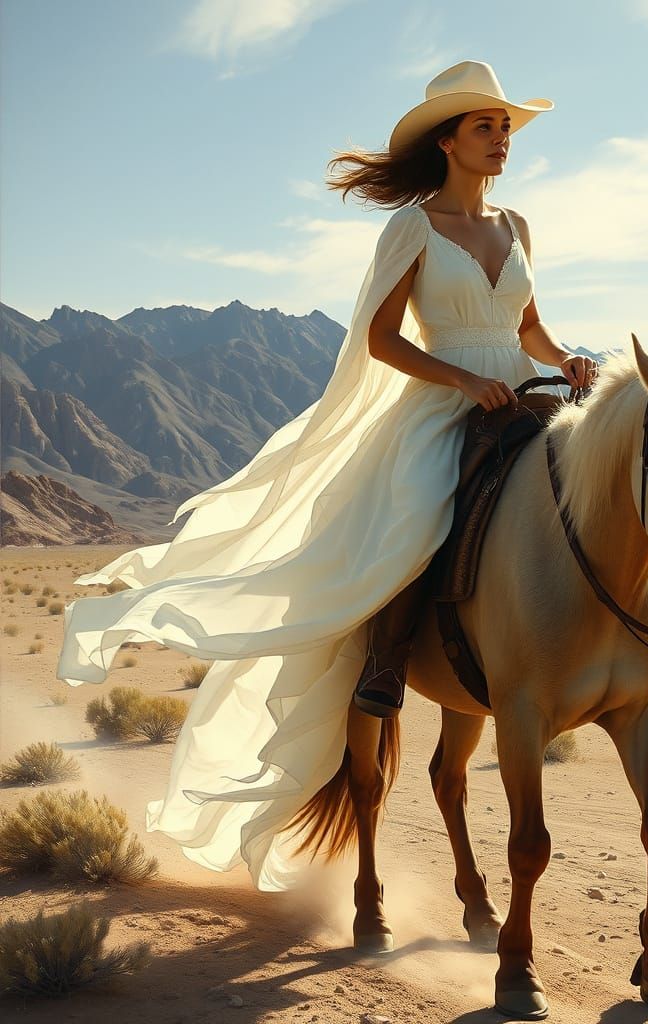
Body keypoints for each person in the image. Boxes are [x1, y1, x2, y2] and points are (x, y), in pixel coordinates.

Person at [55, 60, 597, 891]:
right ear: (447, 141)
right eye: (484, 126)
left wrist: (569, 359)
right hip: (441, 405)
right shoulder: (413, 228)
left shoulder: (517, 225)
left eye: (505, 127)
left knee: (581, 500)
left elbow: (528, 328)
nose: (501, 139)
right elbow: (382, 339)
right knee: (414, 524)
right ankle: (384, 662)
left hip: (521, 397)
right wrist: (461, 379)